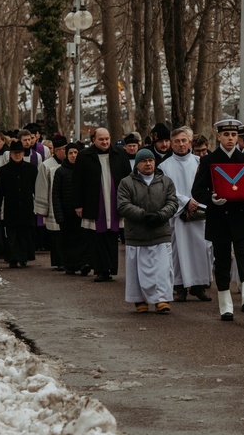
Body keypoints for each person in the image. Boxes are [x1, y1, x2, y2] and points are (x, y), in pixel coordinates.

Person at [191, 119, 244, 321]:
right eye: (226, 135)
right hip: (219, 217)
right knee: (221, 261)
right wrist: (211, 200)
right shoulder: (208, 161)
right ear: (219, 137)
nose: (230, 139)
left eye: (233, 135)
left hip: (241, 216)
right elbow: (197, 190)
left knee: (243, 255)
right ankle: (225, 305)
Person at [118, 149, 178, 314]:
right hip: (137, 234)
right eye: (144, 161)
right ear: (137, 164)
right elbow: (123, 204)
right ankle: (140, 301)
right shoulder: (126, 182)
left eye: (151, 160)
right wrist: (143, 215)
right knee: (137, 271)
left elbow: (172, 202)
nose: (148, 164)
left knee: (163, 269)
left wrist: (160, 215)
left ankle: (162, 300)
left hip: (160, 232)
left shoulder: (165, 181)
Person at [159, 127, 214, 303]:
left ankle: (198, 286)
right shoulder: (164, 166)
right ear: (171, 144)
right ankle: (180, 287)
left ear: (189, 142)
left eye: (184, 141)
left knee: (200, 249)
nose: (181, 144)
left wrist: (196, 203)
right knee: (178, 251)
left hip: (199, 212)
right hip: (178, 215)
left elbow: (207, 185)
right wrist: (184, 202)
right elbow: (165, 191)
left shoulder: (200, 162)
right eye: (177, 142)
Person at [72, 128, 131, 282]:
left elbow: (129, 179)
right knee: (97, 236)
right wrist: (78, 205)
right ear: (94, 140)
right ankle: (100, 269)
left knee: (112, 236)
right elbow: (77, 182)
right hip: (94, 202)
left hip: (114, 201)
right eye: (101, 139)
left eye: (107, 138)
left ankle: (111, 268)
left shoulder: (120, 154)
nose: (105, 142)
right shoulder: (85, 156)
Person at [0, 141, 38, 268]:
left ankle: (24, 257)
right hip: (11, 207)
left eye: (19, 153)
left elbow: (36, 190)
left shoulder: (31, 169)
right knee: (12, 234)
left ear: (23, 153)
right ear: (10, 154)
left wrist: (39, 206)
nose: (17, 155)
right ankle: (12, 258)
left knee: (25, 233)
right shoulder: (3, 171)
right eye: (14, 153)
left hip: (26, 207)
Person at [52, 143, 91, 276]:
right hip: (66, 213)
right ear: (66, 155)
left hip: (82, 214)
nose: (74, 156)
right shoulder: (60, 171)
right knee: (68, 241)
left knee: (83, 240)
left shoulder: (84, 170)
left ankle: (84, 263)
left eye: (76, 153)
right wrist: (59, 215)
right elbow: (56, 194)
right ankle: (70, 265)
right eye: (71, 153)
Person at [34, 135, 68, 270]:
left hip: (68, 205)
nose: (64, 153)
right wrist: (43, 209)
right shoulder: (46, 165)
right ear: (55, 151)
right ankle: (59, 262)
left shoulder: (73, 163)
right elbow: (41, 187)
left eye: (66, 149)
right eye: (61, 150)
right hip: (54, 206)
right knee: (56, 236)